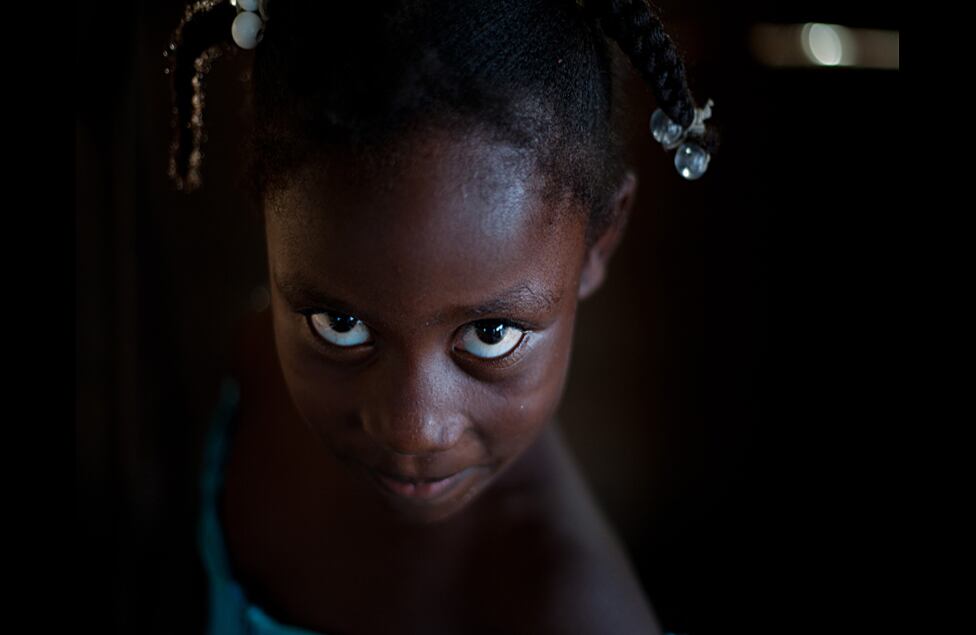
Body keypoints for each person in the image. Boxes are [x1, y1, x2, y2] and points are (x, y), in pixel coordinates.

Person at [167, 1, 719, 633]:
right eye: (340, 326)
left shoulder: (573, 615)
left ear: (601, 240)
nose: (412, 430)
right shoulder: (257, 360)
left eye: (490, 334)